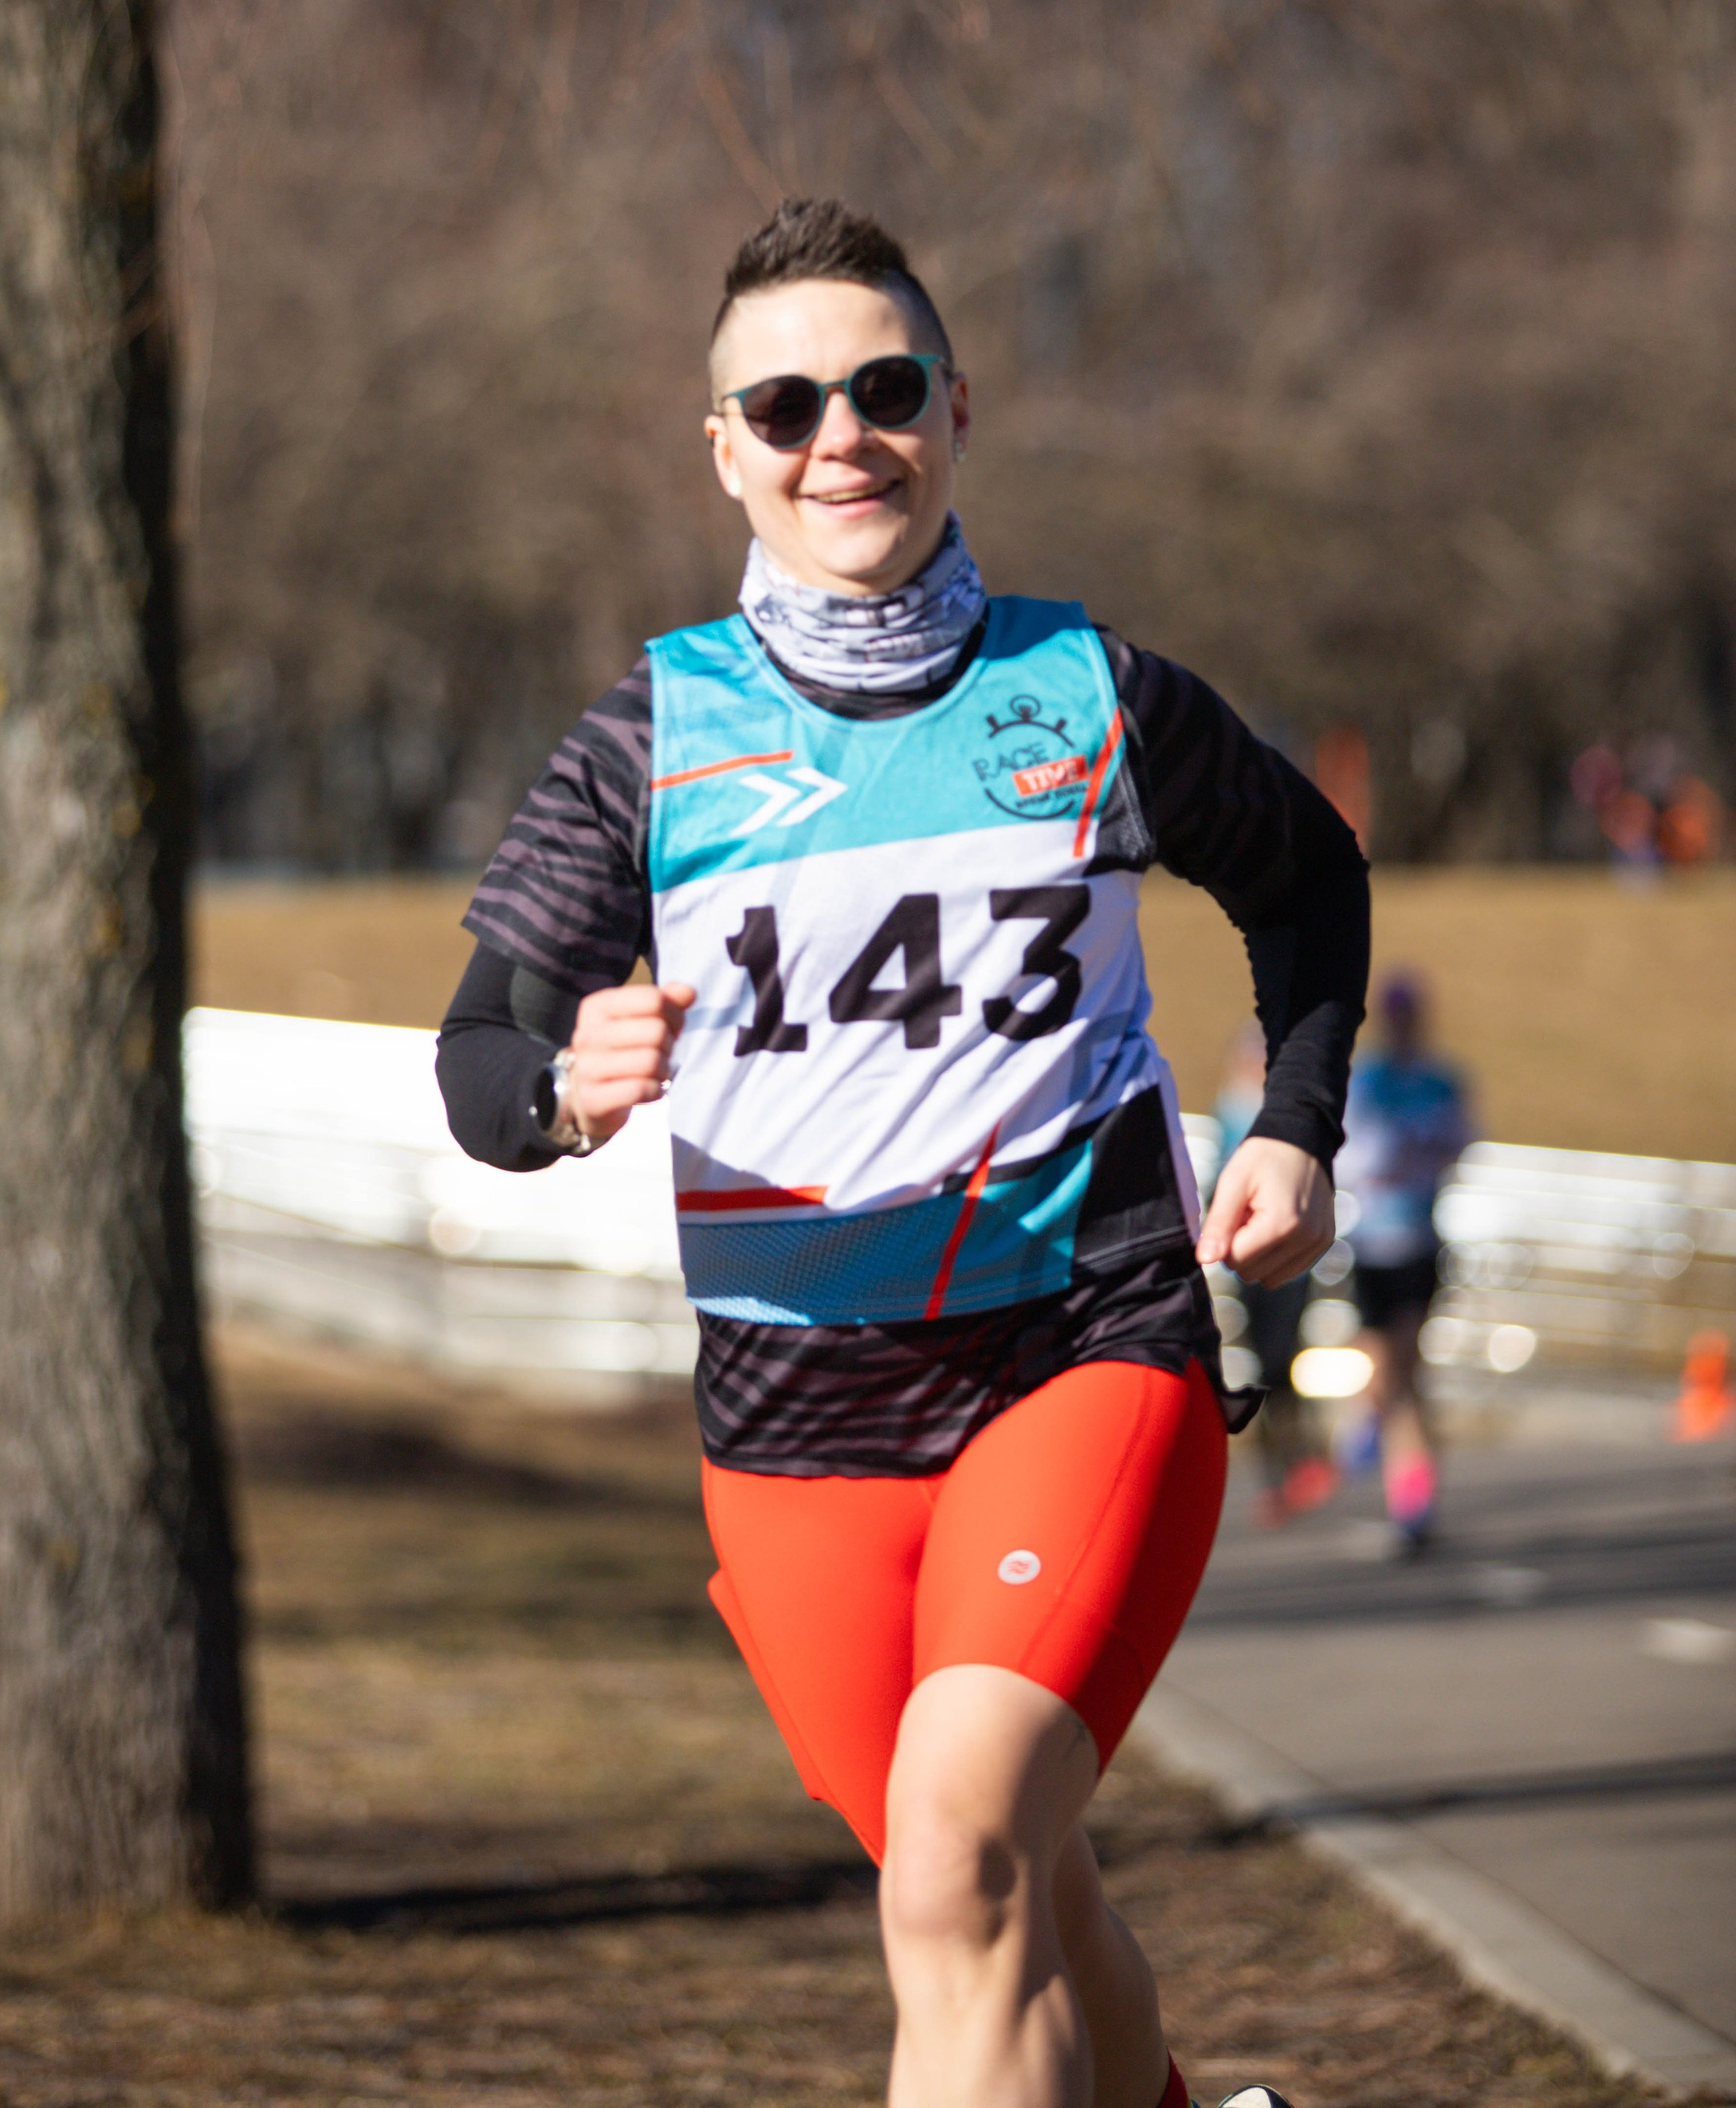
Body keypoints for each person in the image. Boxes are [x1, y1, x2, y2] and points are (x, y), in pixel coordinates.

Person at [437, 199, 1370, 2108]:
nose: (837, 436)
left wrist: (1290, 1125)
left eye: (881, 387)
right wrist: (562, 1093)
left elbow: (1304, 881)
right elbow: (480, 1057)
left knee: (955, 1870)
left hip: (1080, 1351)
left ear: (955, 407)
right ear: (723, 450)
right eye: (782, 406)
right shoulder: (645, 740)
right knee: (1011, 1888)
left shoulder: (1089, 692)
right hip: (792, 1430)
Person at [1333, 973, 1472, 1554]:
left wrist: (1415, 1154)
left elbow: (1459, 1144)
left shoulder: (1442, 1080)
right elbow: (1346, 1155)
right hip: (1370, 1246)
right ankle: (1373, 1436)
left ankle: (1413, 1501)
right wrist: (1387, 1158)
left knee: (1406, 1373)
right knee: (1385, 1372)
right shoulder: (1365, 1079)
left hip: (1417, 1243)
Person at [1210, 1022, 1336, 1528]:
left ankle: (1304, 1460)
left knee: (1282, 1360)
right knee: (1262, 1367)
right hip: (1246, 1256)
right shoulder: (1229, 1108)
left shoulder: (1283, 1110)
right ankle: (1280, 1474)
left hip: (1288, 1256)